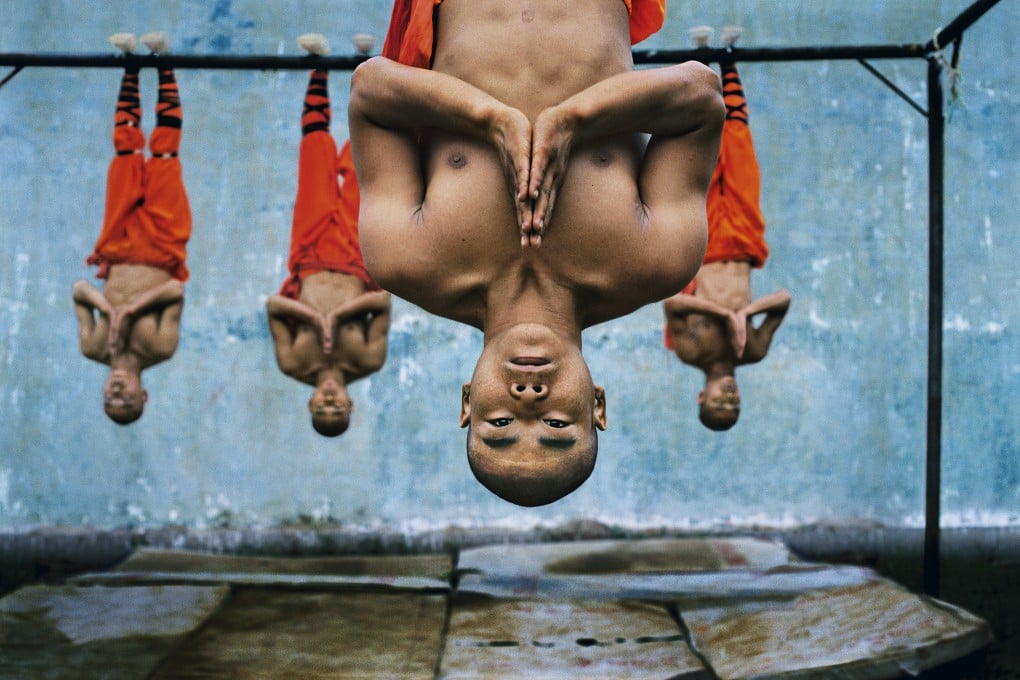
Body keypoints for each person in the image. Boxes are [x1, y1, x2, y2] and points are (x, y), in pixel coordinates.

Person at [349, 0, 724, 505]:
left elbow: (371, 89)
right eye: (556, 424)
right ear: (597, 406)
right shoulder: (658, 261)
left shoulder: (405, 259)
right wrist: (575, 119)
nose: (528, 400)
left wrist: (488, 119)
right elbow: (700, 96)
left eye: (500, 423)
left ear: (466, 402)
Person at [265, 34, 392, 438]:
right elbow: (384, 301)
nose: (331, 401)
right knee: (361, 165)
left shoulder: (293, 363)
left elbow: (272, 306)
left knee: (315, 161)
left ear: (311, 402)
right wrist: (338, 317)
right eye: (338, 408)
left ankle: (317, 68)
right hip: (357, 254)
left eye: (323, 407)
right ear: (351, 404)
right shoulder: (369, 360)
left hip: (310, 253)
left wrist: (314, 318)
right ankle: (364, 65)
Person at [662, 43, 791, 432]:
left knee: (701, 157)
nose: (730, 396)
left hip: (702, 243)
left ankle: (700, 62)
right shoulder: (752, 350)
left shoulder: (690, 352)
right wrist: (745, 315)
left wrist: (721, 314)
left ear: (702, 396)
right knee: (739, 153)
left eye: (720, 401)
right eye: (735, 403)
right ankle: (729, 62)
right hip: (744, 242)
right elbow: (783, 301)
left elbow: (672, 305)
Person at [73, 32, 190, 425]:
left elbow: (79, 290)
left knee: (125, 153)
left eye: (111, 401)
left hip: (118, 244)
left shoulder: (93, 347)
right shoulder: (160, 349)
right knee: (163, 154)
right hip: (162, 244)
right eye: (128, 401)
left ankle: (130, 66)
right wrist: (131, 312)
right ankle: (164, 62)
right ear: (144, 394)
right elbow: (174, 291)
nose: (118, 394)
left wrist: (108, 309)